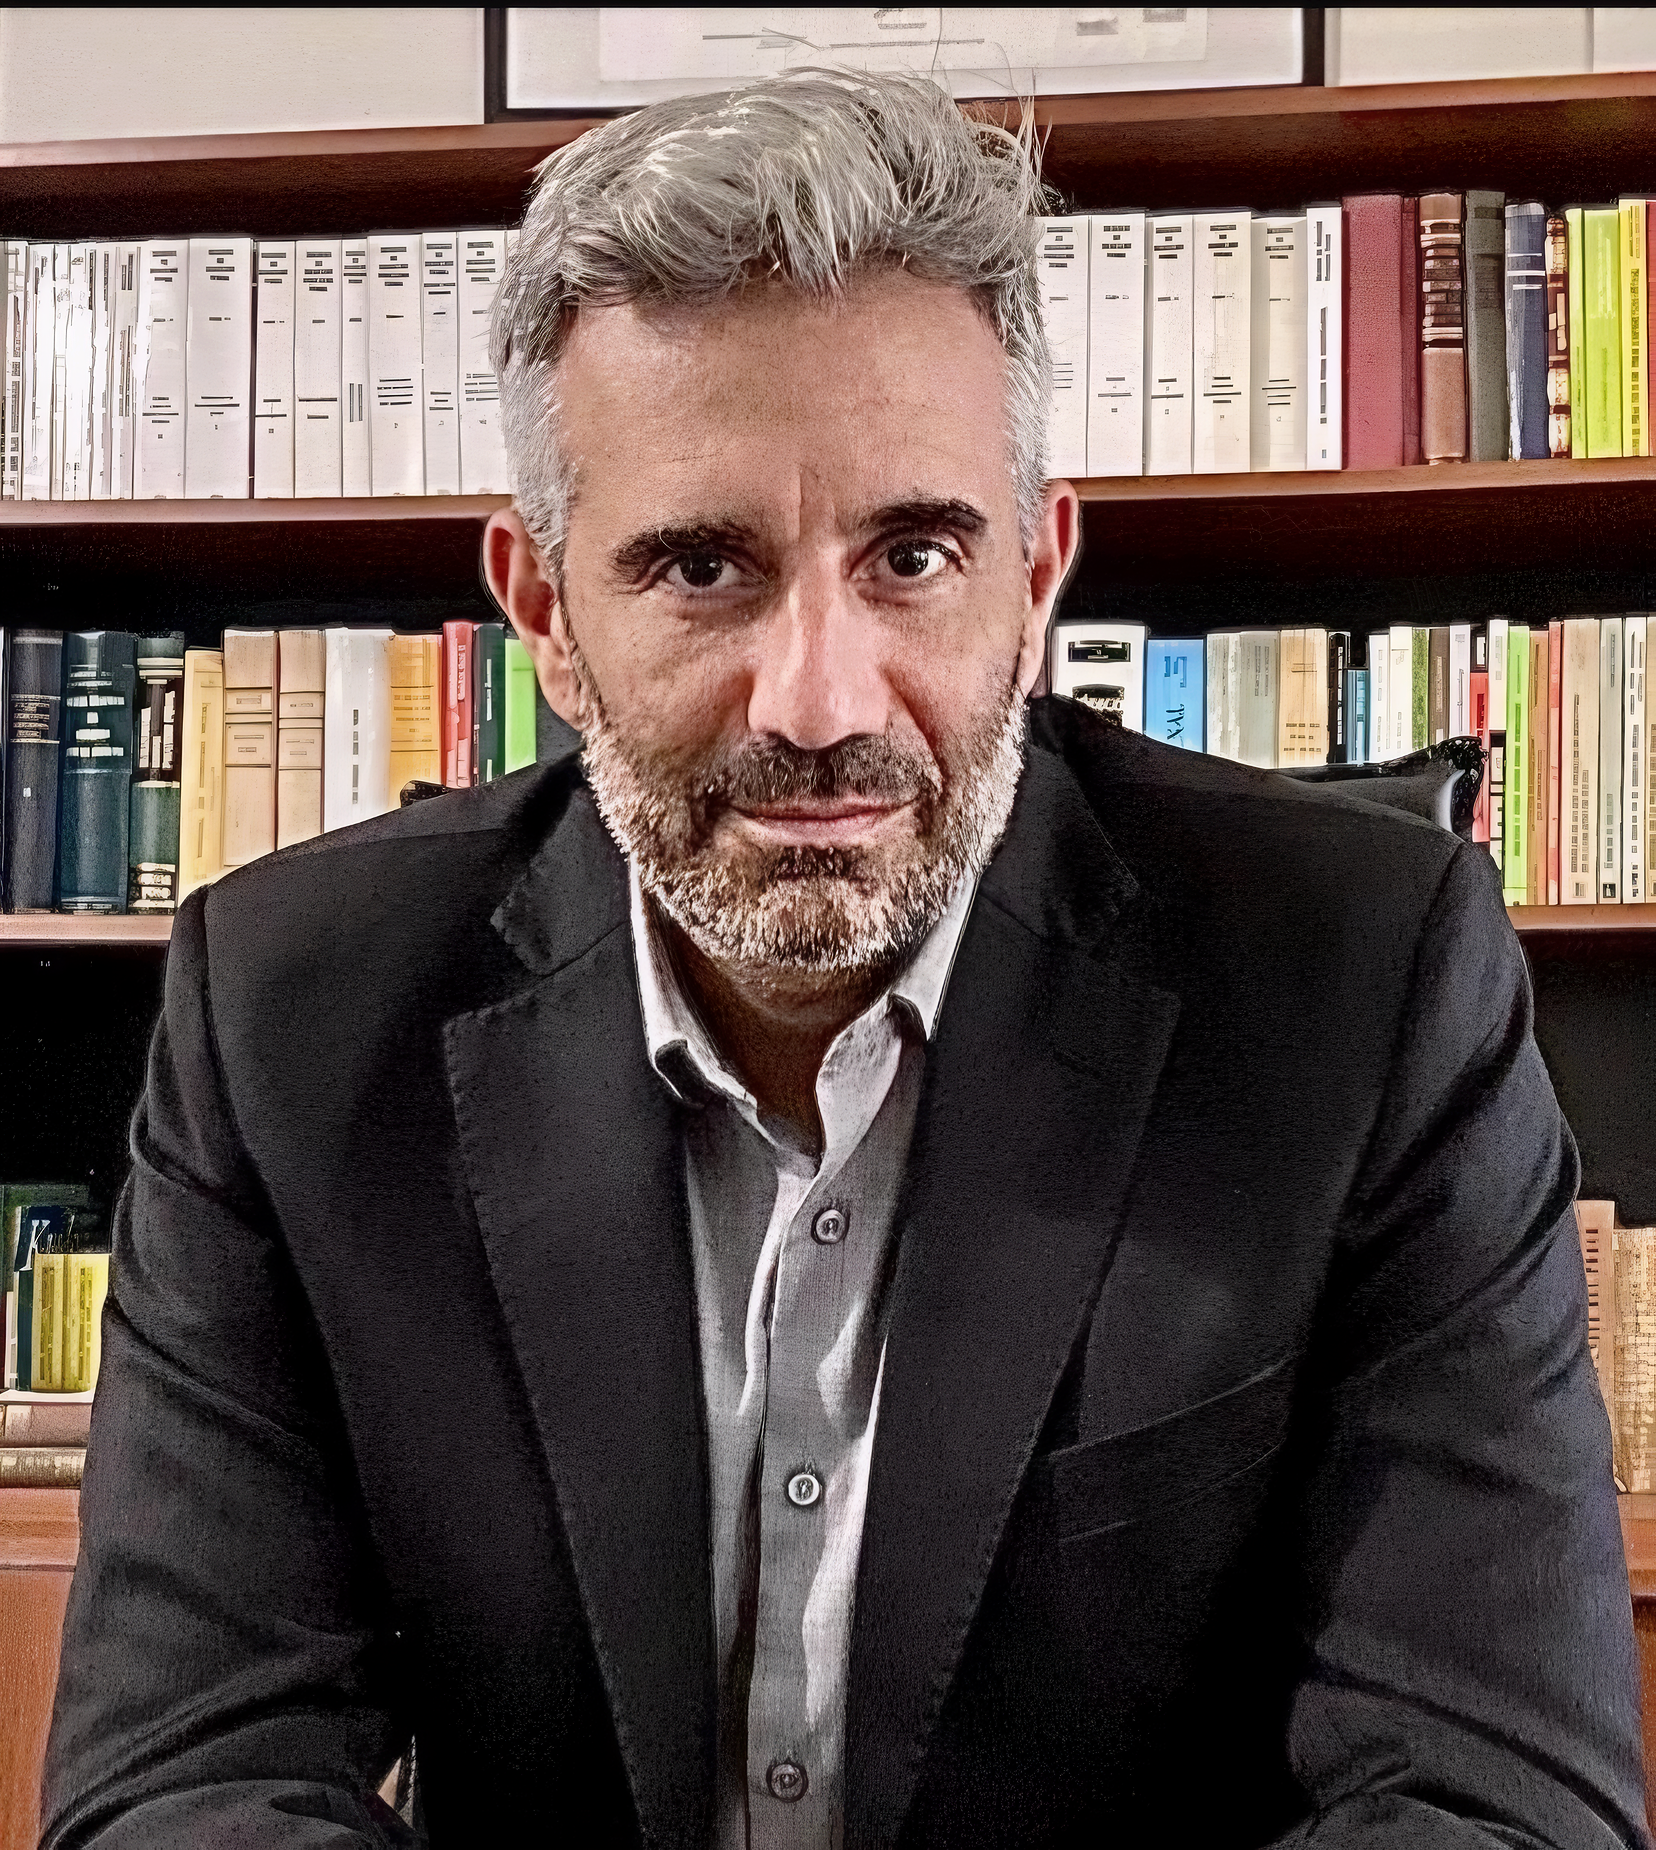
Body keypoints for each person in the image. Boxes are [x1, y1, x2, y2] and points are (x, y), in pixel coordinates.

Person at [42, 68, 1644, 1850]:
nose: (818, 702)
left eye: (914, 554)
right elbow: (180, 1780)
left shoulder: (1365, 986)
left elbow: (1502, 1798)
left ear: (1037, 577)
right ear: (546, 611)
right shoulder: (292, 1015)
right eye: (702, 567)